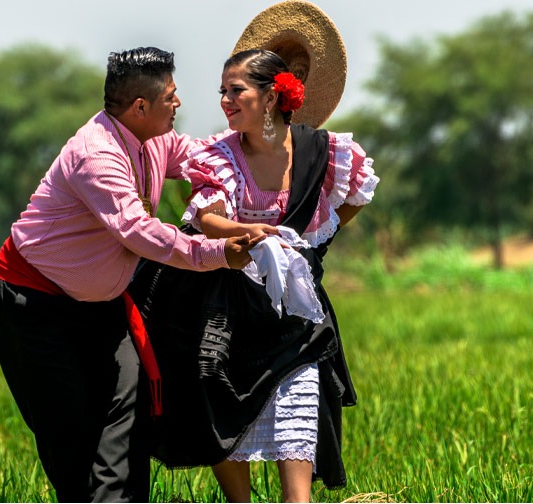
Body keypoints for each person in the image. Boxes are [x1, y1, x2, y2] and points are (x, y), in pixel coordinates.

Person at [0, 46, 268, 503]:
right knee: (71, 435)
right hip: (34, 307)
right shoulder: (96, 155)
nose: (179, 104)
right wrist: (217, 252)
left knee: (132, 417)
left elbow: (207, 157)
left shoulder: (156, 140)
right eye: (171, 97)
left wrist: (265, 140)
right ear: (140, 107)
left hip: (102, 307)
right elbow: (137, 230)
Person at [128, 41, 379, 502]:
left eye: (235, 90)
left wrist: (309, 243)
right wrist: (253, 235)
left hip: (293, 314)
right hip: (225, 309)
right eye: (221, 91)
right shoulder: (218, 155)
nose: (224, 101)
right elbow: (210, 218)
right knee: (218, 396)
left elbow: (354, 199)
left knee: (300, 407)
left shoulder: (325, 153)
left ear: (271, 96)